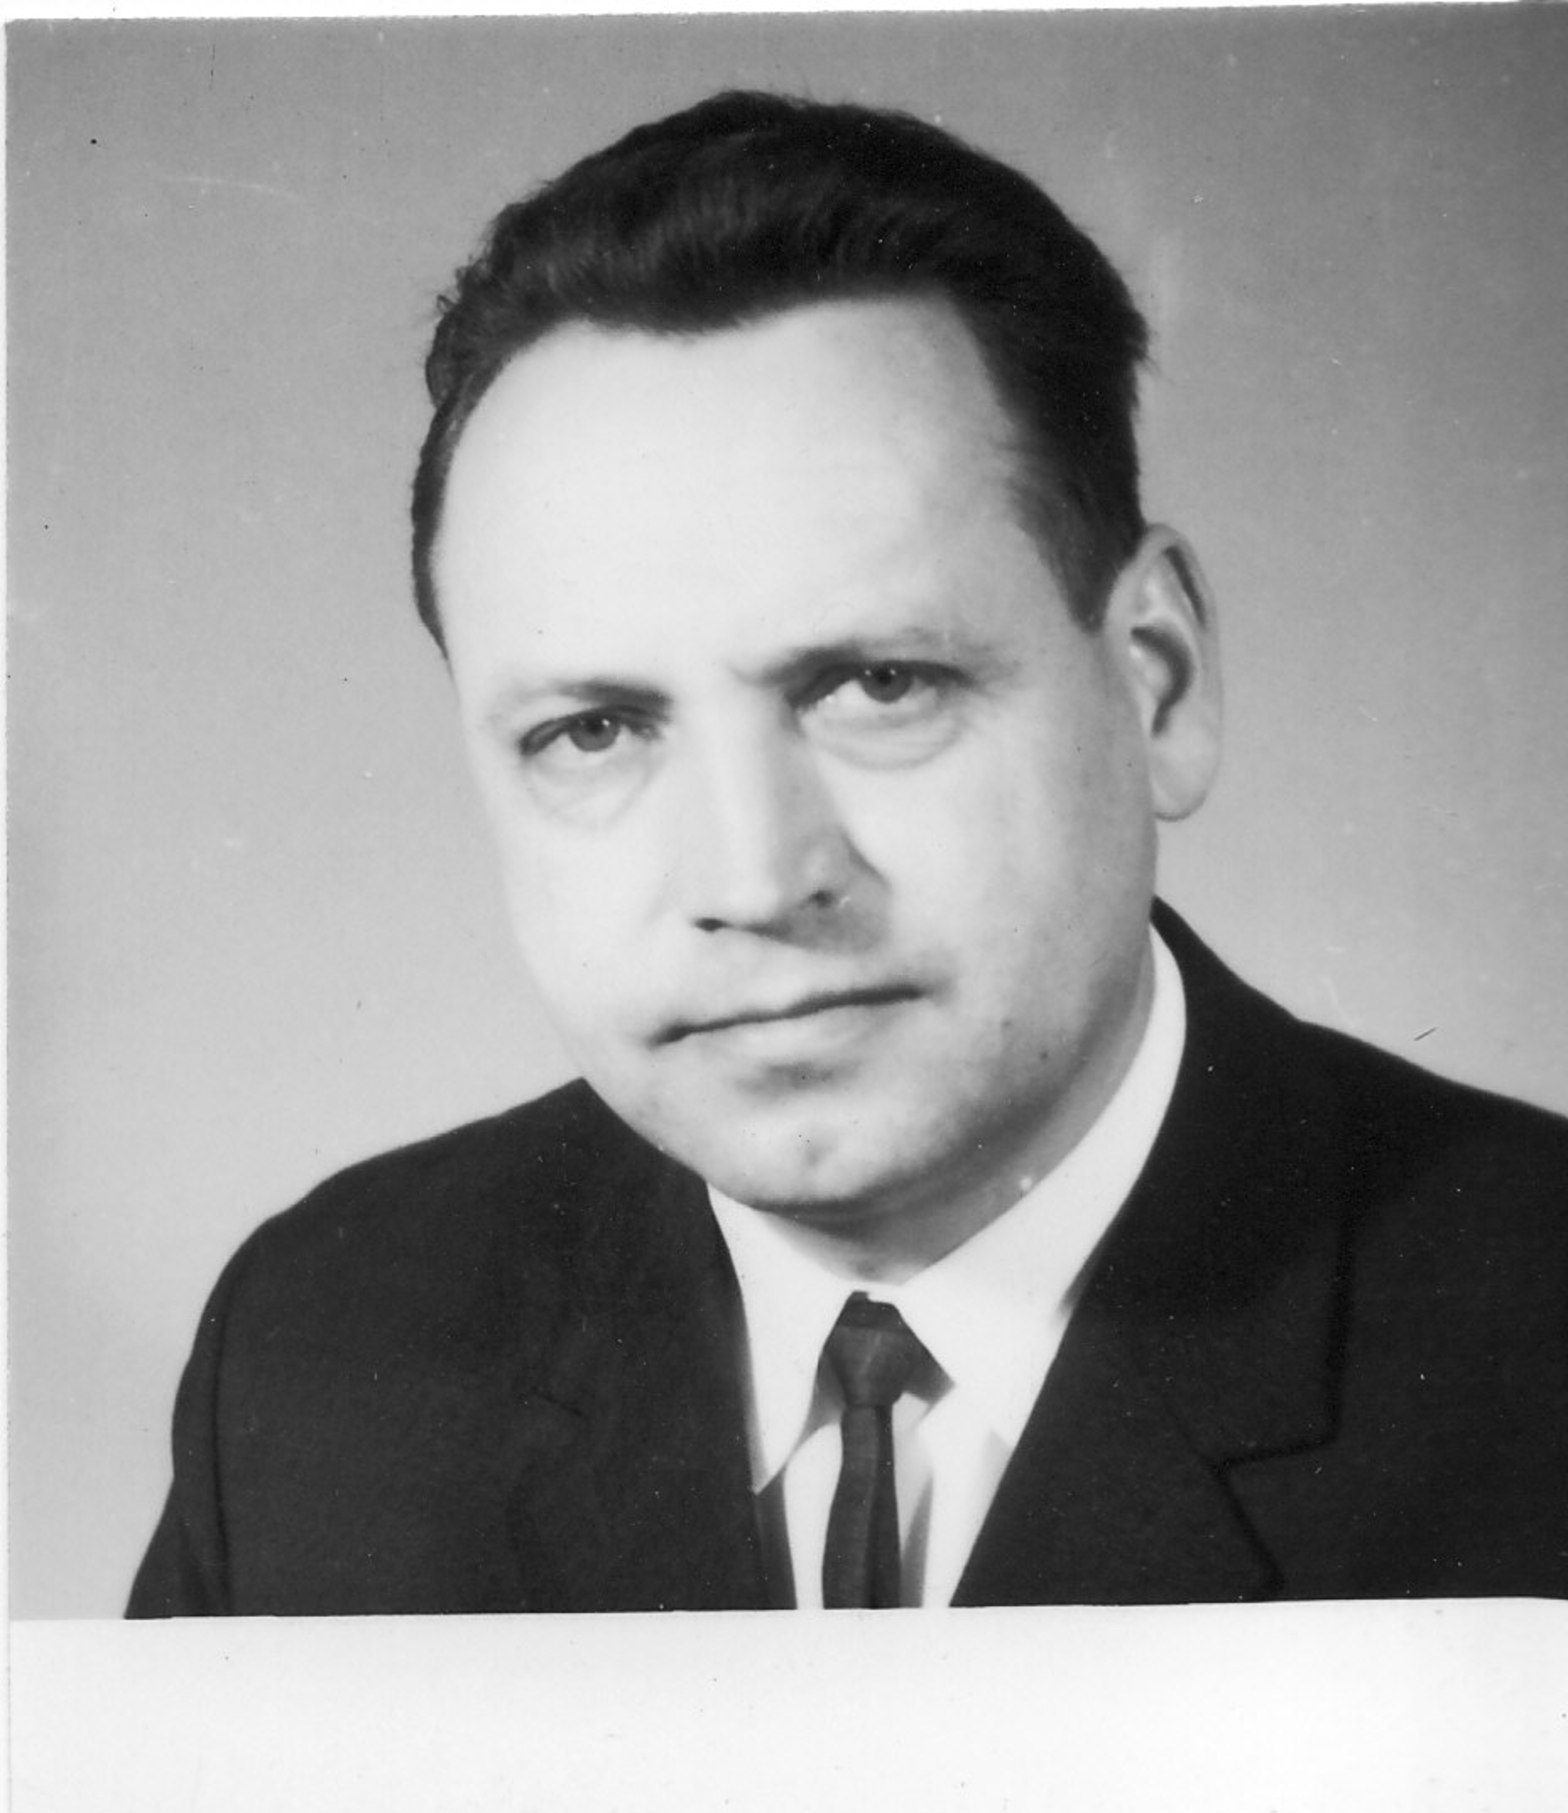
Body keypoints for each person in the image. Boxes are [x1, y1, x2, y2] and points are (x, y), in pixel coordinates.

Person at [129, 90, 1568, 1617]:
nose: (755, 882)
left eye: (879, 685)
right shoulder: (321, 1351)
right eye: (594, 730)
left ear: (1159, 683)